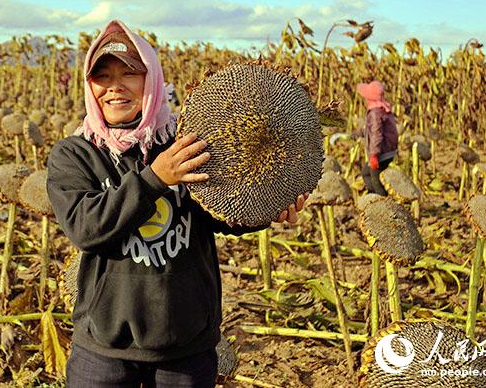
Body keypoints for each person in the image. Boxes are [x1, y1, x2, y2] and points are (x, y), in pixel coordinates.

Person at [47, 20, 307, 388]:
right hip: (105, 346)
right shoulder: (75, 154)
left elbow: (220, 211)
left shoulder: (184, 144)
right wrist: (156, 179)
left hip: (185, 345)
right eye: (102, 76)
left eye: (129, 74)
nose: (114, 87)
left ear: (151, 79)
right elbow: (86, 229)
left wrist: (267, 211)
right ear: (90, 86)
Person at [356, 80, 398, 195]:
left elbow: (376, 134)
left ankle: (383, 204)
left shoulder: (375, 112)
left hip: (382, 152)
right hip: (388, 150)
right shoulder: (382, 108)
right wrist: (357, 134)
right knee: (366, 173)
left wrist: (374, 155)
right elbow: (371, 129)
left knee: (375, 180)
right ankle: (375, 200)